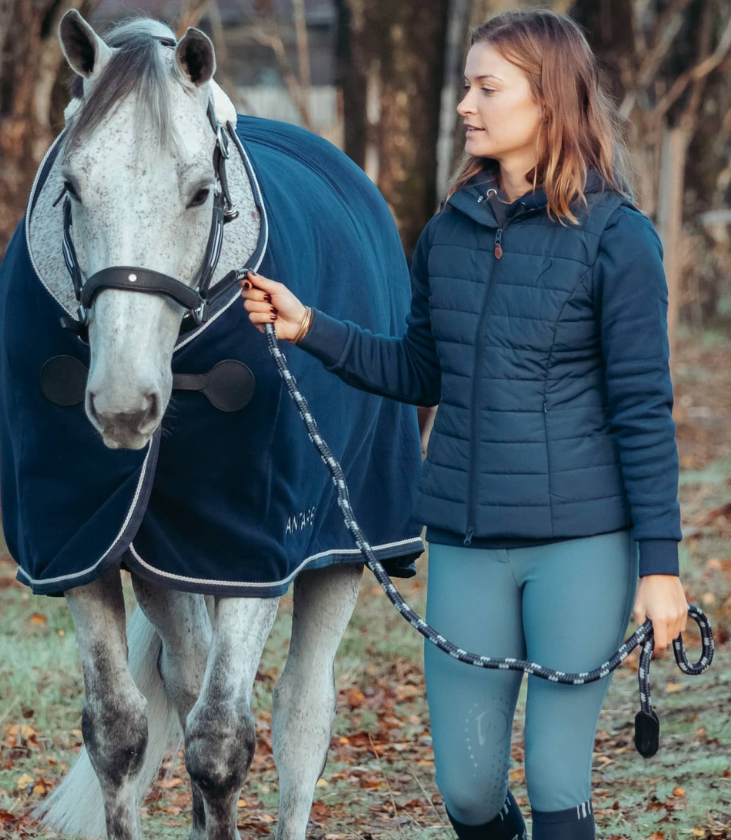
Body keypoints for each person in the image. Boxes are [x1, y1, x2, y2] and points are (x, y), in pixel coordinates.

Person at [241, 9, 689, 840]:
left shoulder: (620, 241)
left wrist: (659, 567)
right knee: (469, 792)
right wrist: (312, 328)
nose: (466, 106)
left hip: (582, 547)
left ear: (548, 99)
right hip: (462, 544)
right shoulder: (447, 233)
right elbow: (421, 371)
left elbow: (642, 408)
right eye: (468, 86)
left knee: (558, 786)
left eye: (488, 88)